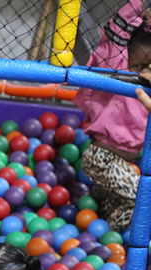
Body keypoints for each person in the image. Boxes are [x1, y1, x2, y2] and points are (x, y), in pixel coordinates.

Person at [74, 0, 151, 232]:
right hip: (103, 158)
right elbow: (115, 34)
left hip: (124, 163)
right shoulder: (118, 71)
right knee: (141, 198)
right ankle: (107, 237)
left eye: (150, 67)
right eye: (139, 67)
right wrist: (139, 5)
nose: (145, 73)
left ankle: (103, 227)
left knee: (113, 205)